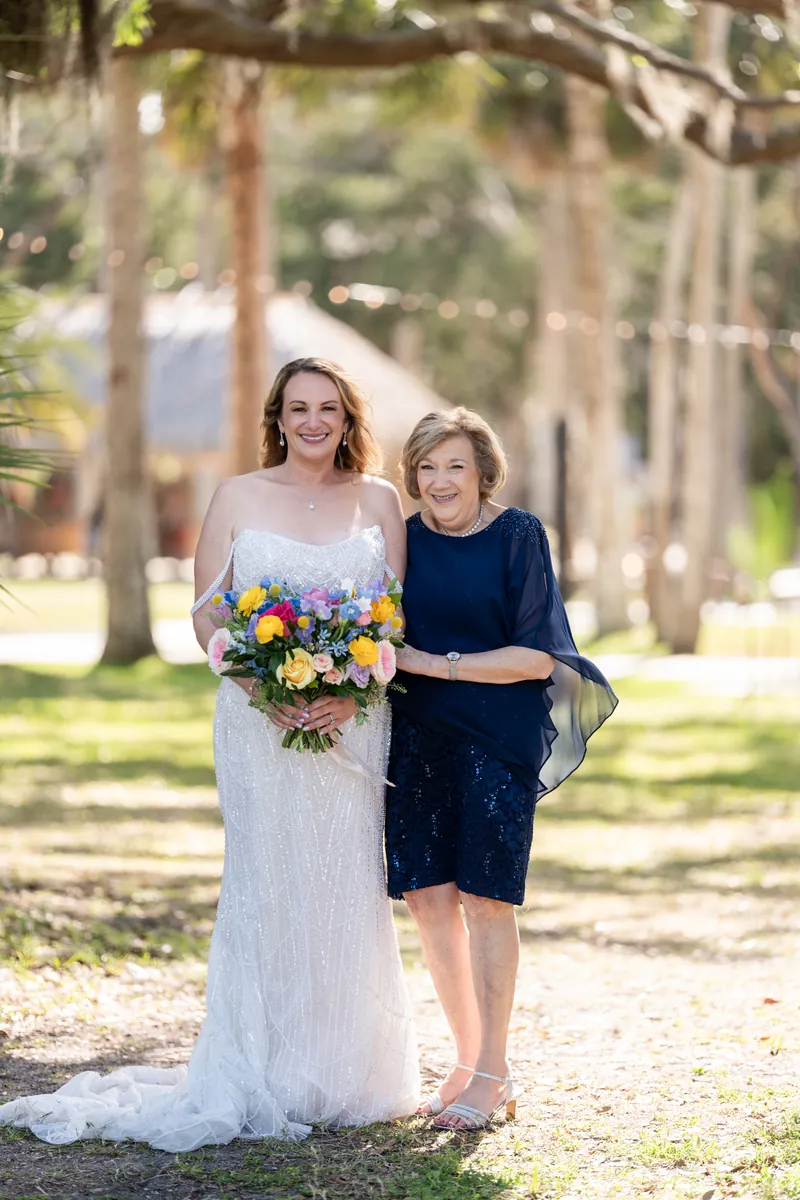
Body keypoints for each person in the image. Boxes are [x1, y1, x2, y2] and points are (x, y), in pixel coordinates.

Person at [0, 358, 420, 1149]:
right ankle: (262, 1064)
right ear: (278, 416)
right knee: (268, 876)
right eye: (298, 408)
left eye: (328, 408)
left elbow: (391, 620)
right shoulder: (237, 496)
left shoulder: (379, 500)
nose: (313, 422)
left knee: (344, 878)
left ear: (348, 418)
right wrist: (266, 689)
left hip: (351, 719)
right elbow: (206, 614)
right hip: (257, 720)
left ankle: (347, 1068)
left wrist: (352, 688)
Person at [386, 407, 617, 1131]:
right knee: (427, 899)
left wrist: (434, 663)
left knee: (486, 900)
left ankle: (493, 1068)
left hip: (496, 738)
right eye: (426, 466)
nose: (440, 480)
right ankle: (469, 1059)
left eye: (455, 465)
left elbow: (540, 655)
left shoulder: (518, 535)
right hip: (416, 740)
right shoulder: (403, 539)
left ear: (484, 472)